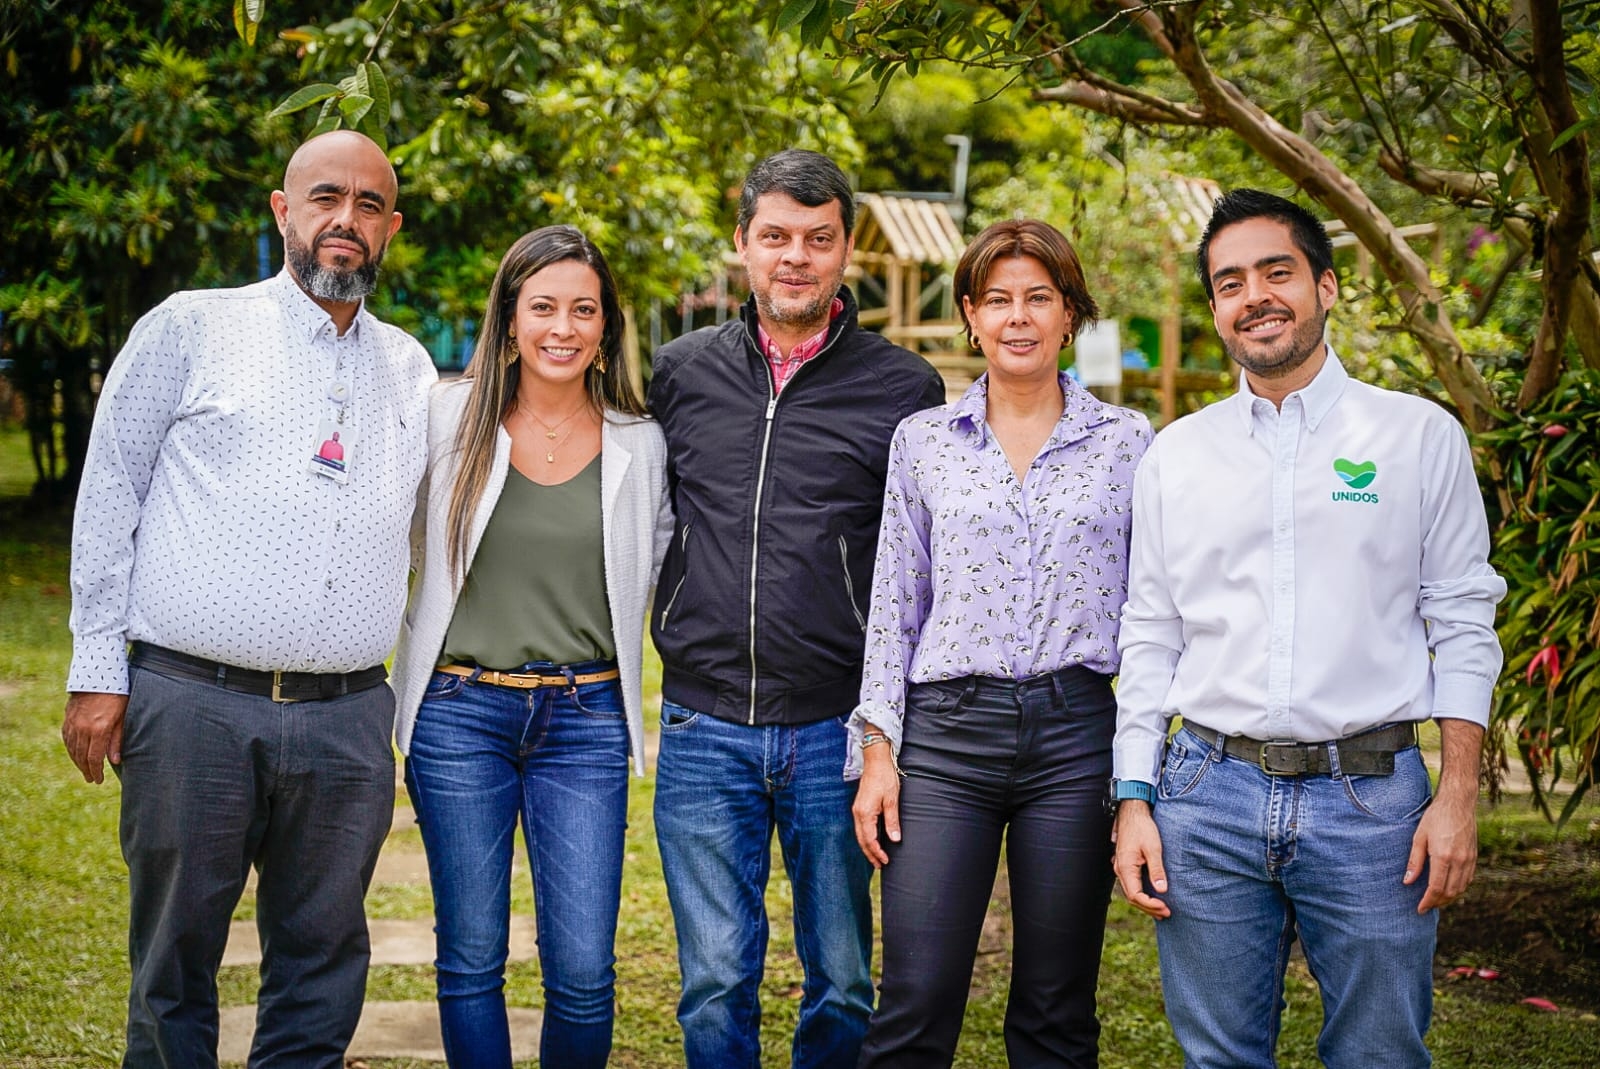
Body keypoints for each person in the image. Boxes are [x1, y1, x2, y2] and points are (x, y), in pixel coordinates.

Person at [63, 130, 435, 1067]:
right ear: (283, 211)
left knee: (322, 964)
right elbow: (109, 495)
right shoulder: (191, 327)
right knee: (174, 961)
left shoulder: (411, 369)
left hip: (348, 718)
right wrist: (96, 671)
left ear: (390, 226)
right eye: (323, 199)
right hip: (193, 705)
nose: (343, 221)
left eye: (365, 205)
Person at [1110, 189, 1506, 1068]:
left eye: (1277, 271)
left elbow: (1464, 622)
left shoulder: (1416, 437)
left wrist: (1459, 794)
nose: (1255, 295)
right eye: (1229, 282)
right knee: (1219, 1058)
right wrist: (1133, 795)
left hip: (1372, 801)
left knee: (1380, 1054)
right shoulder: (1177, 453)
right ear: (1213, 306)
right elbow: (1150, 635)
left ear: (1326, 286)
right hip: (1205, 796)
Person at [648, 148, 946, 1068]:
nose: (796, 257)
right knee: (713, 979)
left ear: (845, 250)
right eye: (775, 236)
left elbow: (918, 567)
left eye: (819, 240)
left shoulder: (904, 391)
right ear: (742, 244)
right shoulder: (679, 373)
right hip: (702, 726)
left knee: (846, 977)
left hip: (836, 730)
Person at [848, 220, 1151, 1067]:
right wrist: (879, 747)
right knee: (917, 996)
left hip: (1075, 735)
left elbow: (1155, 611)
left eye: (1039, 298)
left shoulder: (1128, 443)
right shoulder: (924, 442)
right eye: (998, 300)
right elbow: (893, 603)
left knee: (1058, 1007)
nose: (1019, 317)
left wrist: (1140, 769)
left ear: (1069, 315)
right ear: (972, 316)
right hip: (947, 738)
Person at [389, 225, 671, 1068]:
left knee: (583, 971)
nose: (563, 326)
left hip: (585, 719)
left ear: (607, 326)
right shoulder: (444, 419)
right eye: (542, 306)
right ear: (509, 320)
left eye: (584, 310)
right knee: (471, 958)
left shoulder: (643, 443)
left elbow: (656, 571)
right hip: (458, 714)